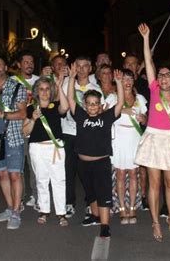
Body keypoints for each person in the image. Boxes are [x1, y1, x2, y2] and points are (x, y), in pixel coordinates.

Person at [135, 24, 170, 242]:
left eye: (168, 75)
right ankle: (156, 222)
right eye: (161, 75)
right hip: (153, 137)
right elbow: (148, 62)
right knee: (154, 183)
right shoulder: (154, 90)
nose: (164, 78)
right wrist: (146, 39)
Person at [68, 63, 124, 238]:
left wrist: (119, 83)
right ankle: (94, 216)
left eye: (95, 104)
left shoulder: (106, 117)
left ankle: (105, 225)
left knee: (103, 193)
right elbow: (70, 99)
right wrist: (71, 78)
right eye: (89, 103)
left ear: (100, 105)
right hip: (83, 163)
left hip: (101, 163)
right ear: (84, 105)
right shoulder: (81, 116)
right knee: (90, 192)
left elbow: (120, 103)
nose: (92, 106)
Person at [22, 74, 69, 226]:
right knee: (41, 180)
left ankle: (61, 213)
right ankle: (44, 210)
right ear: (36, 91)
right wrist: (34, 119)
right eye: (41, 89)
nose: (44, 92)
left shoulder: (55, 106)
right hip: (37, 148)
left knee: (59, 180)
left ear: (51, 91)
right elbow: (25, 132)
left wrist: (59, 87)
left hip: (55, 147)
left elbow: (66, 107)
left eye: (47, 89)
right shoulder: (31, 109)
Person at [0, 55, 27, 229]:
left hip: (13, 137)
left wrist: (1, 114)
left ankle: (17, 212)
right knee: (1, 174)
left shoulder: (18, 87)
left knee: (14, 175)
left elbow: (23, 114)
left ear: (5, 67)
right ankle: (10, 208)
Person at [61, 56, 103, 219]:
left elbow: (100, 111)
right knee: (68, 169)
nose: (82, 69)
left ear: (90, 68)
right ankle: (69, 202)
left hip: (87, 134)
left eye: (85, 66)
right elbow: (63, 106)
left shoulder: (95, 87)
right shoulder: (66, 84)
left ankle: (90, 203)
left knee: (87, 172)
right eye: (78, 66)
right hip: (69, 132)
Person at [106, 69, 147, 224]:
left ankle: (132, 207)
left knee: (133, 173)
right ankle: (122, 208)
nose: (128, 82)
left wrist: (143, 118)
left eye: (130, 79)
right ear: (119, 81)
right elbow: (105, 113)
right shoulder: (113, 97)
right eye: (124, 79)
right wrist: (125, 109)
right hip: (118, 139)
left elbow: (146, 119)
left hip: (134, 139)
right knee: (121, 174)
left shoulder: (140, 98)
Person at [123, 53, 150, 211]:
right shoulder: (118, 84)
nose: (130, 67)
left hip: (141, 130)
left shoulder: (144, 84)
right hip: (122, 133)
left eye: (134, 64)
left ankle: (143, 196)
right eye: (128, 64)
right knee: (123, 168)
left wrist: (145, 121)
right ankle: (124, 197)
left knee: (141, 166)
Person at [13, 51, 40, 210]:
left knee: (35, 165)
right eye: (26, 61)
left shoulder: (40, 80)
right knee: (19, 166)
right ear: (19, 64)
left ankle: (37, 196)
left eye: (31, 61)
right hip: (18, 129)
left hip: (36, 129)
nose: (29, 64)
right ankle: (20, 198)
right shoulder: (12, 81)